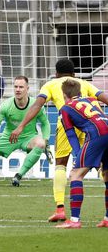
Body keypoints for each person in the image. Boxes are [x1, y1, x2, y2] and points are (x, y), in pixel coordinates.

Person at [9, 59, 108, 222]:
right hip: (92, 125)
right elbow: (104, 99)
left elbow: (37, 105)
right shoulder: (84, 83)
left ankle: (60, 209)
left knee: (61, 165)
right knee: (100, 166)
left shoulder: (51, 84)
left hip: (67, 122)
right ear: (74, 74)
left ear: (56, 74)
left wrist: (21, 126)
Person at [56, 79, 108, 228]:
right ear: (80, 92)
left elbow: (70, 134)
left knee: (75, 175)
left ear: (64, 94)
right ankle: (107, 219)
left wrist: (77, 154)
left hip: (97, 135)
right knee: (107, 176)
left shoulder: (65, 109)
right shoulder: (91, 100)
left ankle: (74, 221)